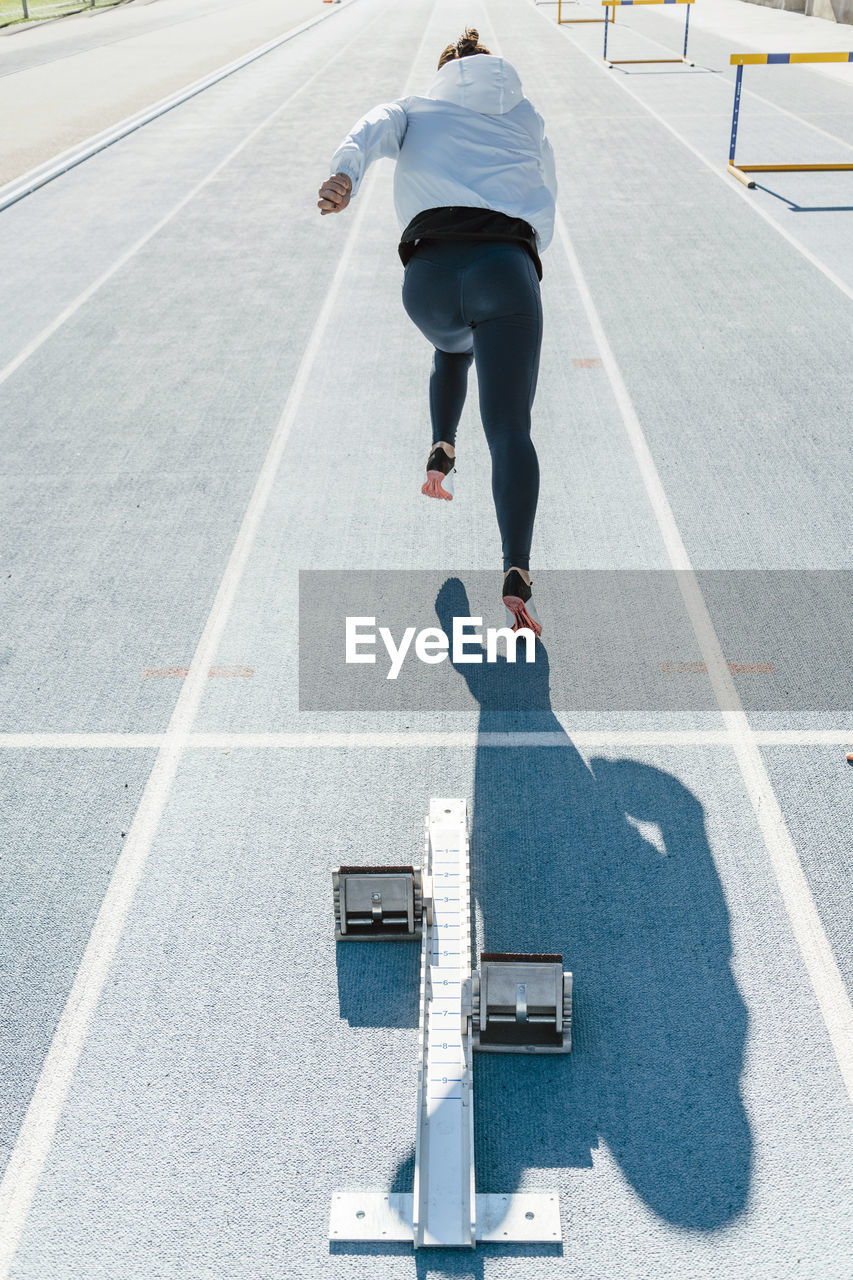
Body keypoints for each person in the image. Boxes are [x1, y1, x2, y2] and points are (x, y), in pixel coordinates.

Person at [318, 28, 557, 635]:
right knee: (509, 429)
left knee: (452, 344)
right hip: (504, 267)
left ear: (444, 74)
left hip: (427, 276)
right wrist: (522, 265)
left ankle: (440, 448)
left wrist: (345, 174)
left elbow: (369, 128)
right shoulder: (527, 118)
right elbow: (545, 196)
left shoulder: (415, 109)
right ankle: (517, 572)